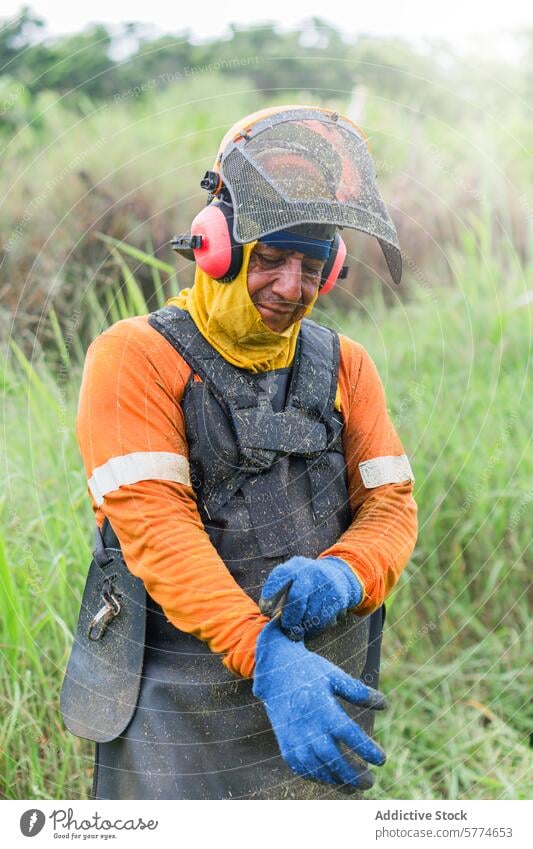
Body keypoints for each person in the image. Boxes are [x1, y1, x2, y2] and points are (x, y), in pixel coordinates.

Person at [61, 105, 418, 800]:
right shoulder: (134, 357)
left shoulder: (348, 366)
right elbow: (157, 530)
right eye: (272, 258)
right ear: (216, 245)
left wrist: (345, 573)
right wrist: (265, 653)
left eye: (312, 264)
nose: (292, 287)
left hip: (315, 690)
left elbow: (390, 505)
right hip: (175, 711)